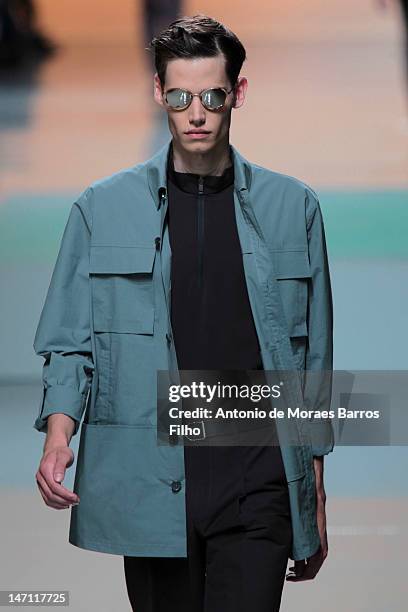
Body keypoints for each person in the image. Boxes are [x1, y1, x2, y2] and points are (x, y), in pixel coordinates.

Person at [33, 14, 334, 612]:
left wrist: (314, 493)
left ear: (237, 94)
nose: (195, 113)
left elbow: (311, 361)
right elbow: (70, 340)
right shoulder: (101, 209)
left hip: (258, 480)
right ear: (158, 93)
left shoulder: (292, 208)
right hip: (150, 481)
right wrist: (59, 433)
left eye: (211, 96)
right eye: (178, 96)